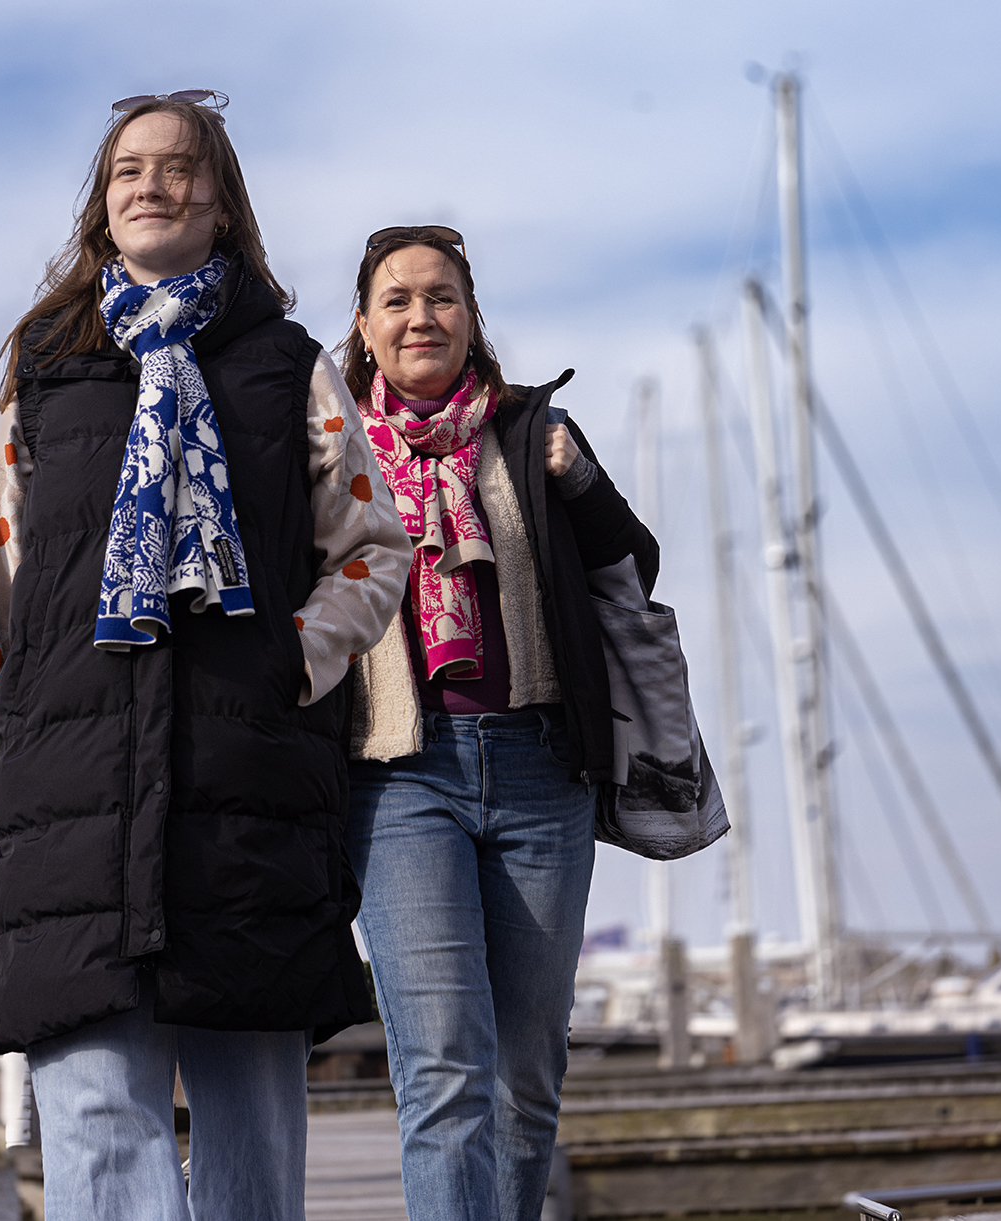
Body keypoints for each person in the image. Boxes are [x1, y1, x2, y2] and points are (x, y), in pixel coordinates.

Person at [0, 94, 412, 1221]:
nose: (151, 185)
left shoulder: (287, 367)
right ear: (103, 202)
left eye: (179, 168)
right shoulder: (47, 374)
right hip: (71, 792)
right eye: (129, 170)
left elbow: (374, 550)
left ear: (221, 200)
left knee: (249, 1134)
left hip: (247, 788)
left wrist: (294, 658)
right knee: (93, 1116)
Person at [340, 225, 660, 1221]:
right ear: (363, 328)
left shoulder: (530, 430)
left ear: (472, 320)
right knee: (443, 1073)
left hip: (538, 772)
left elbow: (632, 566)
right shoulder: (331, 447)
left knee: (526, 1079)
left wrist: (580, 481)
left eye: (441, 297)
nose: (420, 316)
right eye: (397, 299)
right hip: (399, 779)